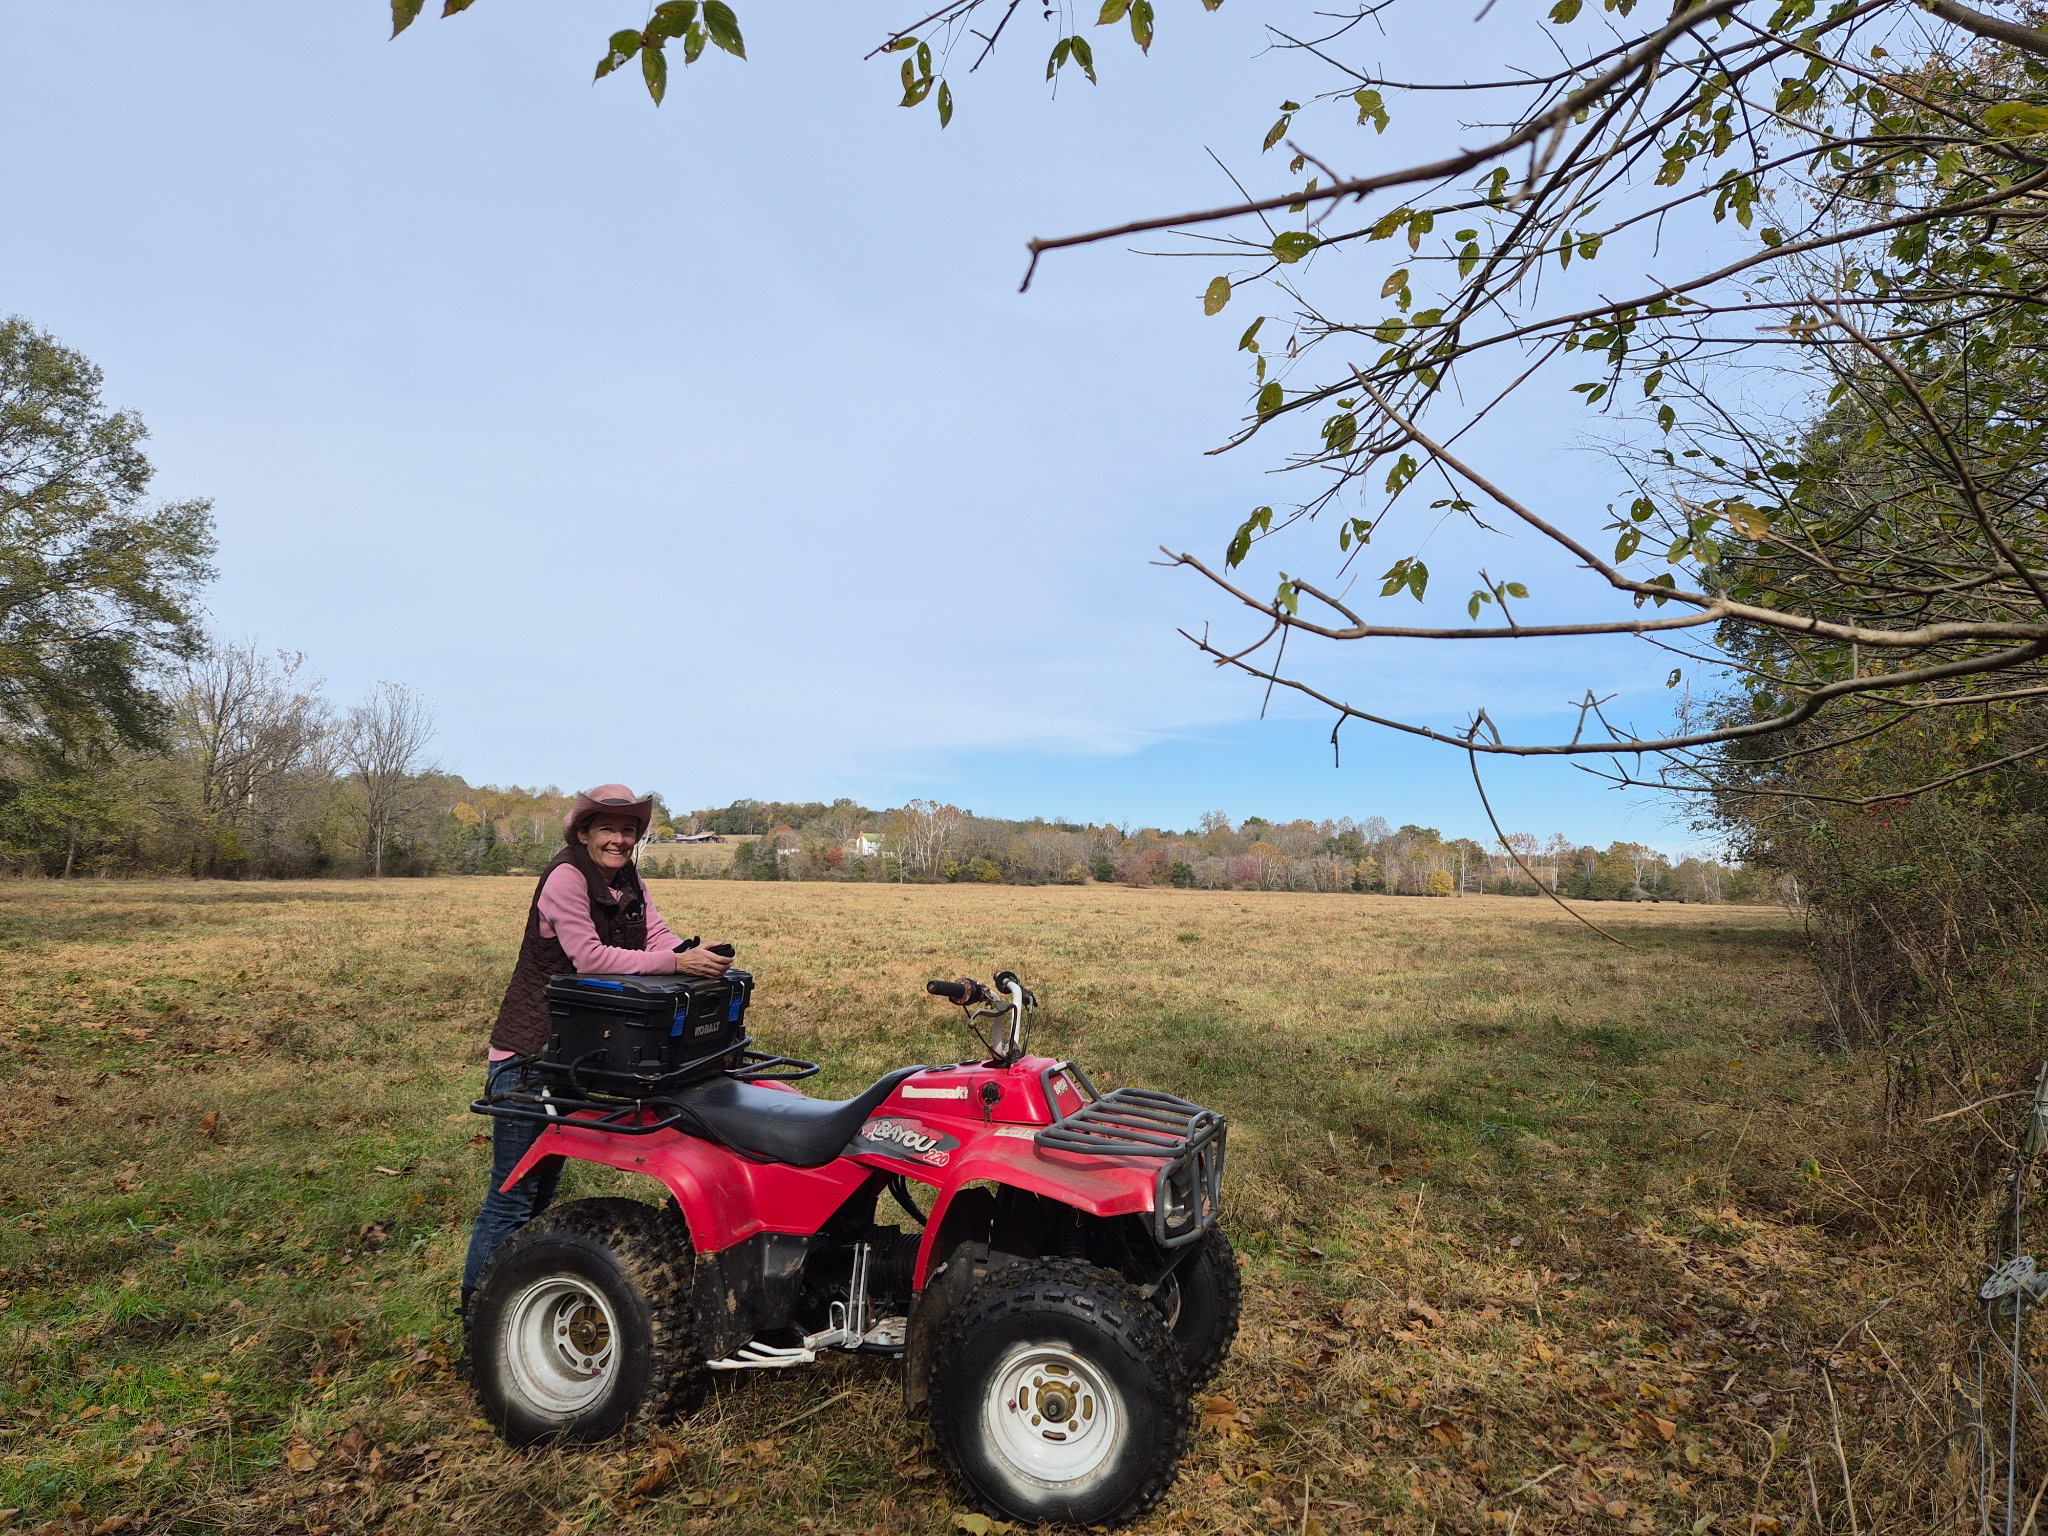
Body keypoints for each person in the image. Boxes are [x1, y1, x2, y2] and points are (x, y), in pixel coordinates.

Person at [459, 783, 732, 1315]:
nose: (619, 839)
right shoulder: (565, 878)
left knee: (543, 1188)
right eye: (608, 828)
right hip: (529, 1055)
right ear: (583, 832)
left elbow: (655, 936)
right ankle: (478, 1312)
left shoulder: (629, 878)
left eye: (629, 830)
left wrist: (690, 954)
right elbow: (588, 957)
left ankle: (514, 1293)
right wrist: (677, 965)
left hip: (577, 1054)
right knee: (513, 1195)